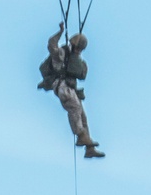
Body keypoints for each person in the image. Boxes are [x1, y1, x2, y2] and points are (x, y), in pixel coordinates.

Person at [38, 22, 104, 157]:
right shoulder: (62, 54)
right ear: (74, 45)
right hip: (62, 87)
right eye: (78, 48)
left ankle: (89, 148)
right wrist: (60, 31)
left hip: (71, 88)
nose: (79, 51)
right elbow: (51, 45)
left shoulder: (76, 59)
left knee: (82, 116)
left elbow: (81, 74)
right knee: (74, 107)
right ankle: (80, 135)